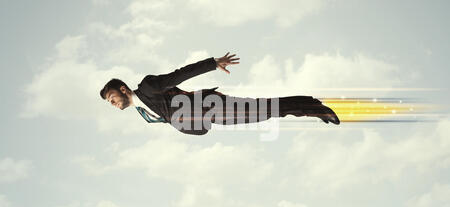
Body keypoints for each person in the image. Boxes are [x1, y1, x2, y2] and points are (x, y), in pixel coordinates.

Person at [100, 52, 340, 135]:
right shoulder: (143, 112)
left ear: (122, 89)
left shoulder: (147, 87)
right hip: (207, 116)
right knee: (263, 113)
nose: (113, 104)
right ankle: (309, 104)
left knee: (263, 109)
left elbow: (177, 76)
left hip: (208, 106)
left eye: (112, 98)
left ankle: (314, 107)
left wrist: (212, 63)